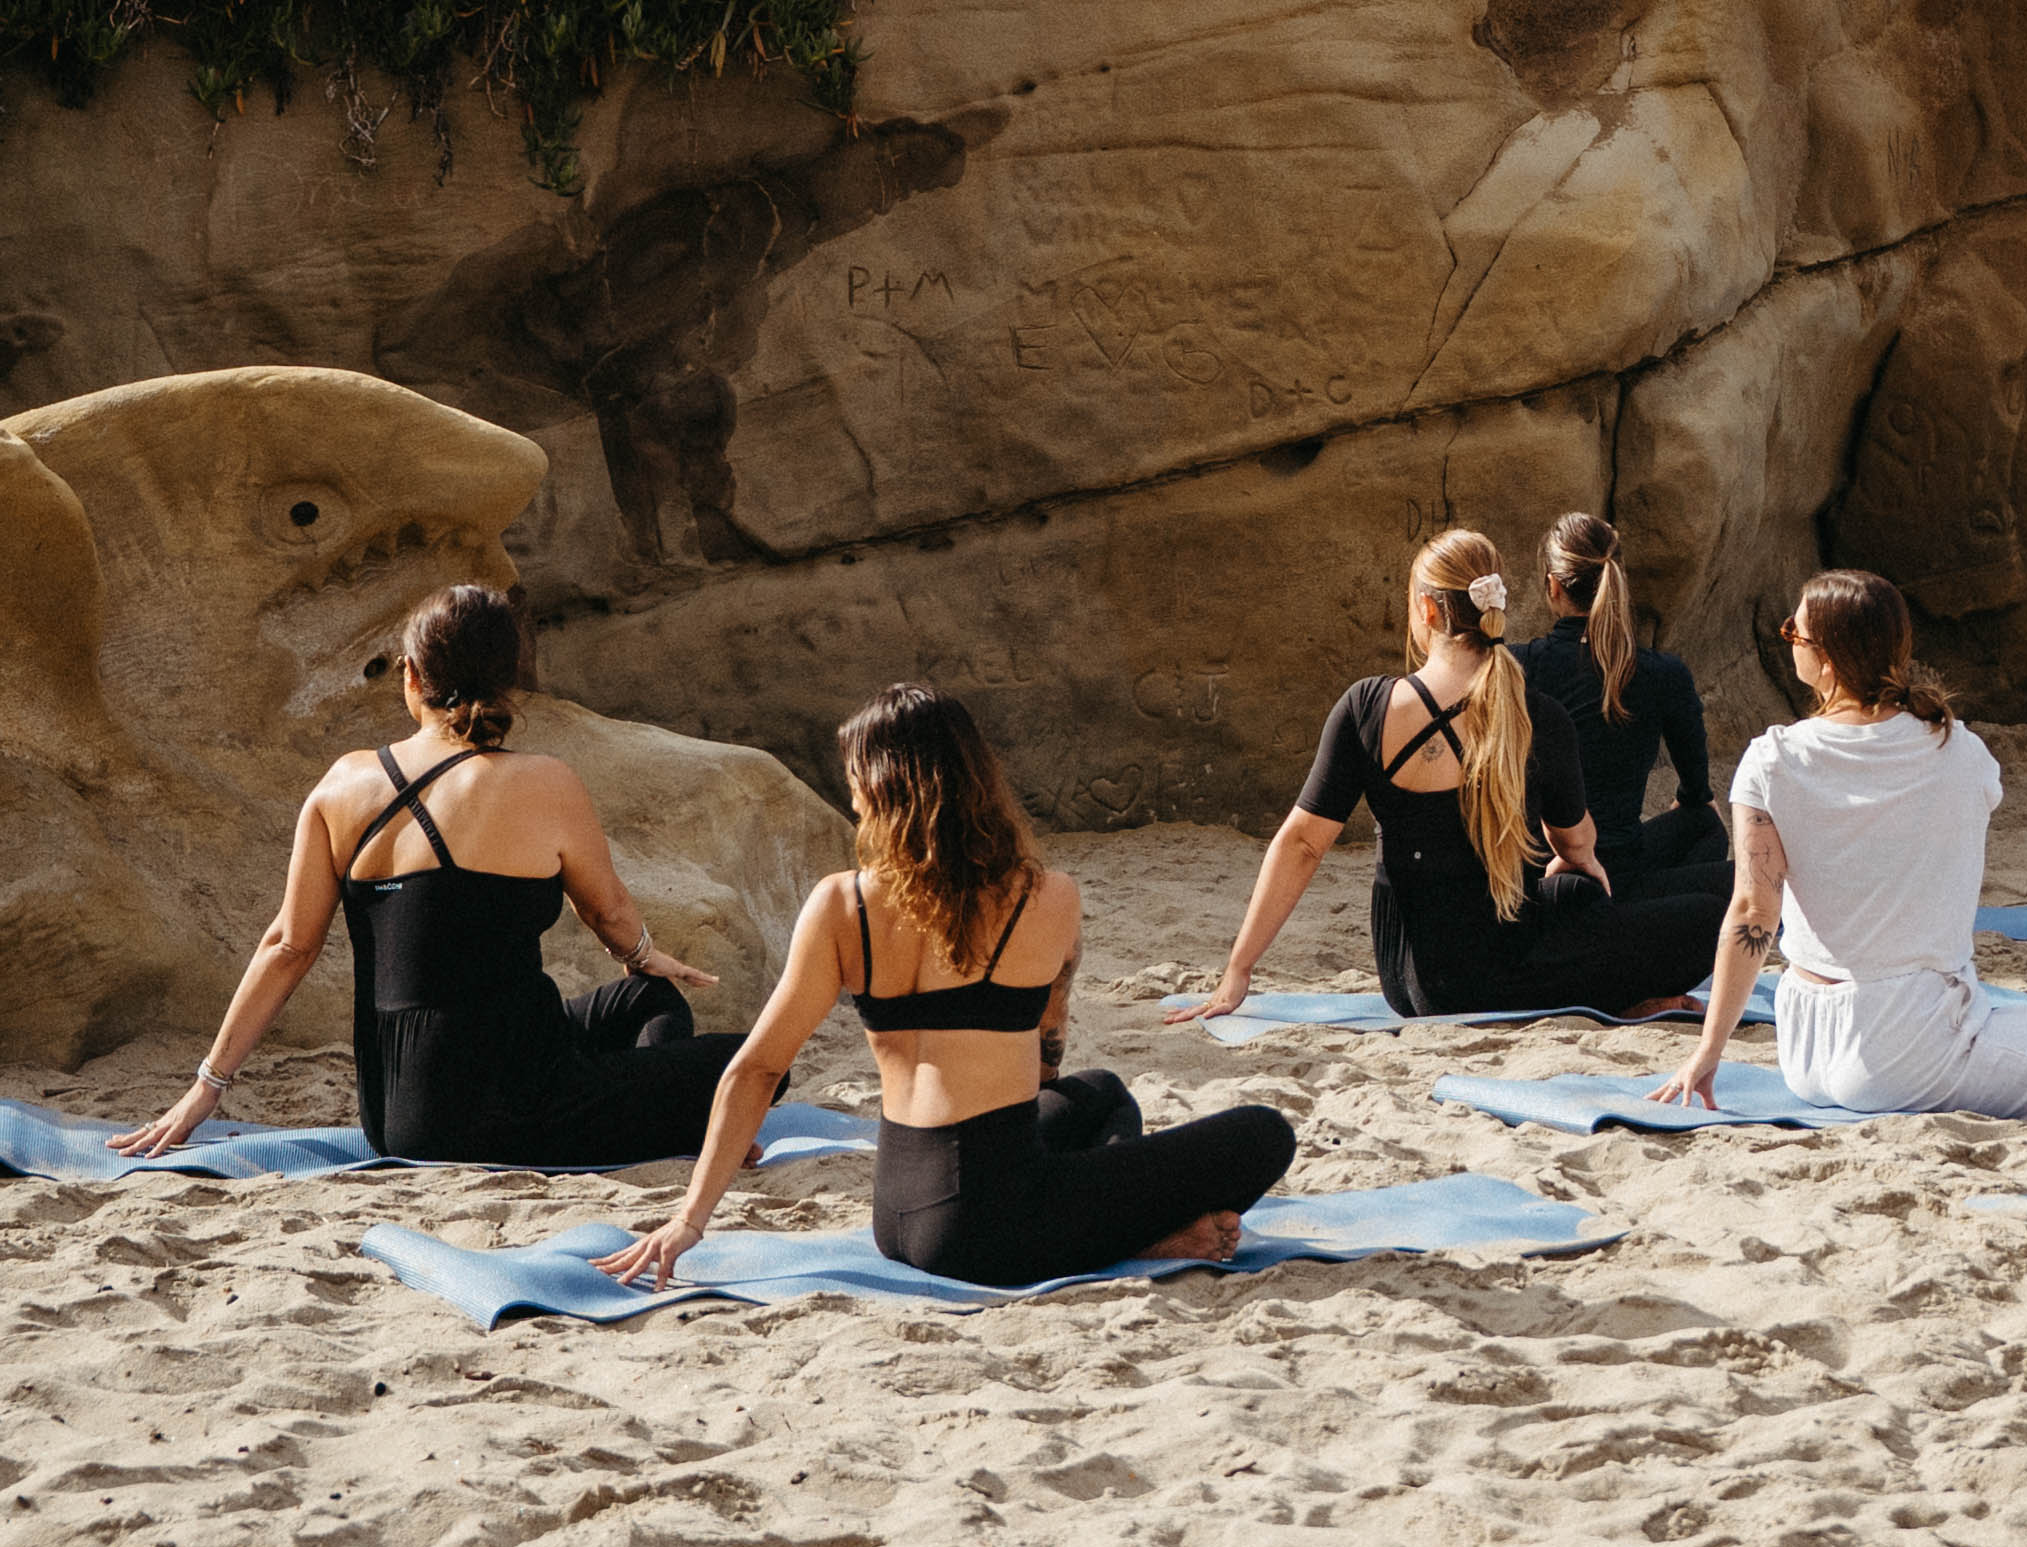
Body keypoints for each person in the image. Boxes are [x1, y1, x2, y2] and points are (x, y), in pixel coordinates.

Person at [601, 684, 1295, 1290]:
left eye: (853, 779)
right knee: (1264, 1132)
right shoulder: (1047, 896)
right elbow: (1044, 1055)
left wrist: (688, 1219)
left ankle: (1110, 1225)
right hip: (993, 1228)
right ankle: (1144, 1238)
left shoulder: (841, 904)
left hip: (898, 1213)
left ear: (879, 787)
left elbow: (755, 1069)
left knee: (1102, 1094)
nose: (850, 794)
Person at [114, 582, 736, 1169]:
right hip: (509, 1104)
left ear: (411, 676)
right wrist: (644, 952)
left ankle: (641, 1110)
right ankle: (668, 1123)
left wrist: (206, 1089)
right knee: (745, 1062)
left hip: (396, 1117)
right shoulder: (547, 781)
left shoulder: (342, 784)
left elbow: (287, 946)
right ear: (508, 677)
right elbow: (606, 913)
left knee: (644, 997)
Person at [1654, 572, 2027, 1121]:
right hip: (1910, 1048)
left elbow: (1754, 911)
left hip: (1804, 1046)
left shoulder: (1771, 758)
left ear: (1827, 660)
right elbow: (1974, 796)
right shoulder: (1959, 750)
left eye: (1794, 633)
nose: (1788, 641)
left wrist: (1708, 1052)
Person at [1178, 529, 1735, 1022]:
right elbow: (1577, 842)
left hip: (1406, 979)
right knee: (1721, 907)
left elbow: (1300, 843)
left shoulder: (1365, 707)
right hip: (1500, 974)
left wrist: (1239, 968)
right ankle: (1623, 995)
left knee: (1574, 898)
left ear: (1425, 611)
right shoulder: (1534, 715)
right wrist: (1582, 872)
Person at [1515, 509, 1722, 878]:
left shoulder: (1518, 666)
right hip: (1620, 861)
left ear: (1553, 586)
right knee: (1705, 821)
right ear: (1619, 578)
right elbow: (1696, 787)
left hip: (1535, 869)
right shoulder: (1663, 672)